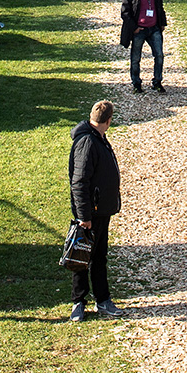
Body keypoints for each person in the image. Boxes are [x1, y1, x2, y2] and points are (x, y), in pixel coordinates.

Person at [68, 100, 123, 321]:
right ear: (108, 121)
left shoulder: (98, 138)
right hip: (91, 214)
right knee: (81, 258)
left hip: (100, 211)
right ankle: (78, 302)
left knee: (99, 257)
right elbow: (79, 181)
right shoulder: (88, 142)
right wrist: (84, 216)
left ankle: (102, 299)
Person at [120, 0, 168, 93]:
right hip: (139, 30)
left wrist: (162, 23)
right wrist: (134, 28)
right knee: (136, 58)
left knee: (159, 55)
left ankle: (157, 82)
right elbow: (125, 12)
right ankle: (136, 83)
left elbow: (160, 6)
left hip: (154, 28)